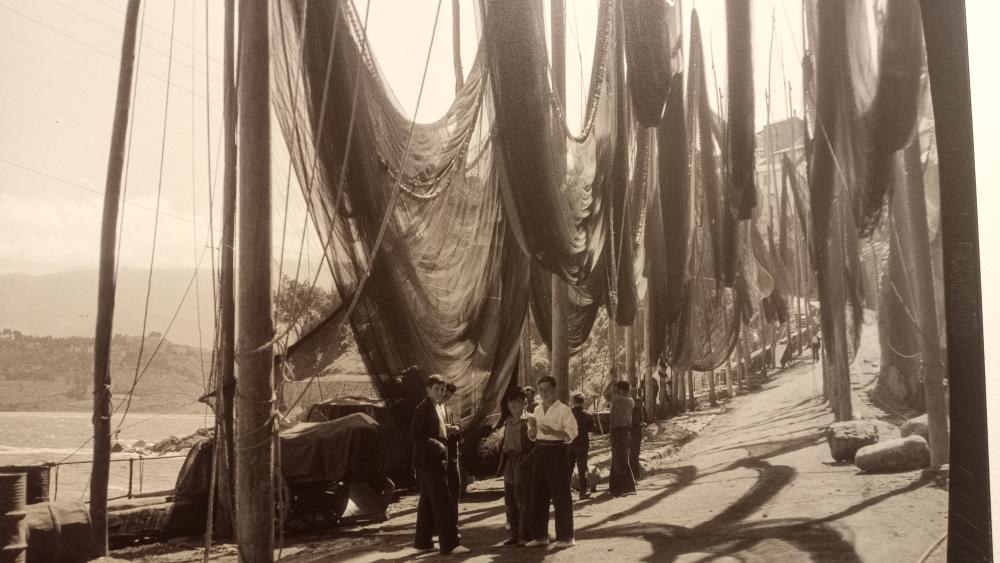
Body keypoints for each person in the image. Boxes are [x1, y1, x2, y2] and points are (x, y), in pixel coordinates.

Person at [410, 374, 468, 554]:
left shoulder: (438, 407)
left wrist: (447, 431)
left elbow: (434, 429)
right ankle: (450, 544)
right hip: (429, 461)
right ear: (428, 389)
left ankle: (423, 541)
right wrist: (437, 444)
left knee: (427, 503)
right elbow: (416, 434)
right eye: (437, 389)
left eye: (442, 389)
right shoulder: (423, 408)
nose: (440, 392)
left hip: (435, 460)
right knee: (443, 501)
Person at [525, 376, 578, 548]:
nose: (544, 392)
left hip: (557, 451)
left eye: (547, 389)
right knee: (538, 494)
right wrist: (532, 428)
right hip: (539, 451)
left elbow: (571, 434)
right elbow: (532, 437)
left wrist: (554, 432)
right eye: (541, 389)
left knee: (561, 494)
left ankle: (566, 538)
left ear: (554, 390)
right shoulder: (537, 410)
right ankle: (540, 536)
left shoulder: (564, 410)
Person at [497, 387, 534, 546]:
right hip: (510, 465)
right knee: (510, 500)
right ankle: (514, 536)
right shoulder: (507, 422)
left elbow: (535, 445)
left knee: (523, 500)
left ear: (524, 403)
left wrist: (526, 459)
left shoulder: (530, 421)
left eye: (517, 401)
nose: (513, 405)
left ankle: (525, 535)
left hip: (524, 464)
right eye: (510, 402)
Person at [608, 381, 636, 496]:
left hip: (618, 431)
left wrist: (611, 384)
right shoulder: (630, 400)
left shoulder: (618, 399)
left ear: (620, 390)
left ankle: (628, 487)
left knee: (621, 459)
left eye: (617, 389)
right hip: (625, 431)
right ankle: (615, 487)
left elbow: (606, 394)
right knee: (618, 457)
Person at [442, 382, 462, 514]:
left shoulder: (447, 407)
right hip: (442, 454)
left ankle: (453, 520)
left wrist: (455, 429)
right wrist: (448, 429)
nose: (446, 398)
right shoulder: (433, 408)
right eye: (445, 395)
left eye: (448, 397)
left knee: (456, 486)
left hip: (452, 452)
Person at [568, 393, 592, 500]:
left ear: (573, 402)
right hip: (582, 444)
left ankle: (566, 493)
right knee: (583, 469)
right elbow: (592, 428)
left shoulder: (567, 414)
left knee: (568, 469)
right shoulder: (587, 415)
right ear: (582, 402)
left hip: (569, 444)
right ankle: (584, 492)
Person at [630, 388, 645, 481]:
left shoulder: (638, 402)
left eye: (635, 391)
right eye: (632, 391)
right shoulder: (629, 403)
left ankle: (635, 475)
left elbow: (640, 417)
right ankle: (634, 475)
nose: (634, 393)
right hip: (632, 430)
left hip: (636, 430)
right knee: (633, 454)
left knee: (635, 453)